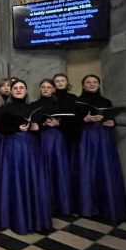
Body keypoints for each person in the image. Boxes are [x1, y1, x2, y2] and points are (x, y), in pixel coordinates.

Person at [0, 79, 52, 234]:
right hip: (12, 146)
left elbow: (40, 127)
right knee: (13, 178)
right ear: (11, 91)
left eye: (22, 87)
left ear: (26, 91)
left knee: (32, 178)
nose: (19, 90)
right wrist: (15, 128)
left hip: (31, 146)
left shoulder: (33, 108)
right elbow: (0, 128)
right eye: (15, 88)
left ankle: (34, 217)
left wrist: (37, 127)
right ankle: (12, 218)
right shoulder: (4, 108)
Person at [74, 75, 126, 222]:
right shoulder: (77, 101)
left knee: (105, 169)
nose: (92, 84)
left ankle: (107, 206)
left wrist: (111, 122)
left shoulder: (106, 101)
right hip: (86, 138)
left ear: (99, 85)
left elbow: (111, 118)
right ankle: (88, 207)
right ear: (83, 85)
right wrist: (84, 119)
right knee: (87, 169)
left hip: (103, 137)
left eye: (95, 82)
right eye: (88, 82)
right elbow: (72, 124)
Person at [31, 78, 72, 215]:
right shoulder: (34, 105)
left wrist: (58, 123)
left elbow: (69, 122)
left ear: (54, 89)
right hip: (40, 139)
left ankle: (60, 204)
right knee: (43, 169)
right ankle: (45, 203)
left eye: (49, 87)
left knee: (58, 169)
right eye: (43, 87)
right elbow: (31, 121)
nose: (46, 89)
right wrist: (39, 126)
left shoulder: (60, 105)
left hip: (56, 139)